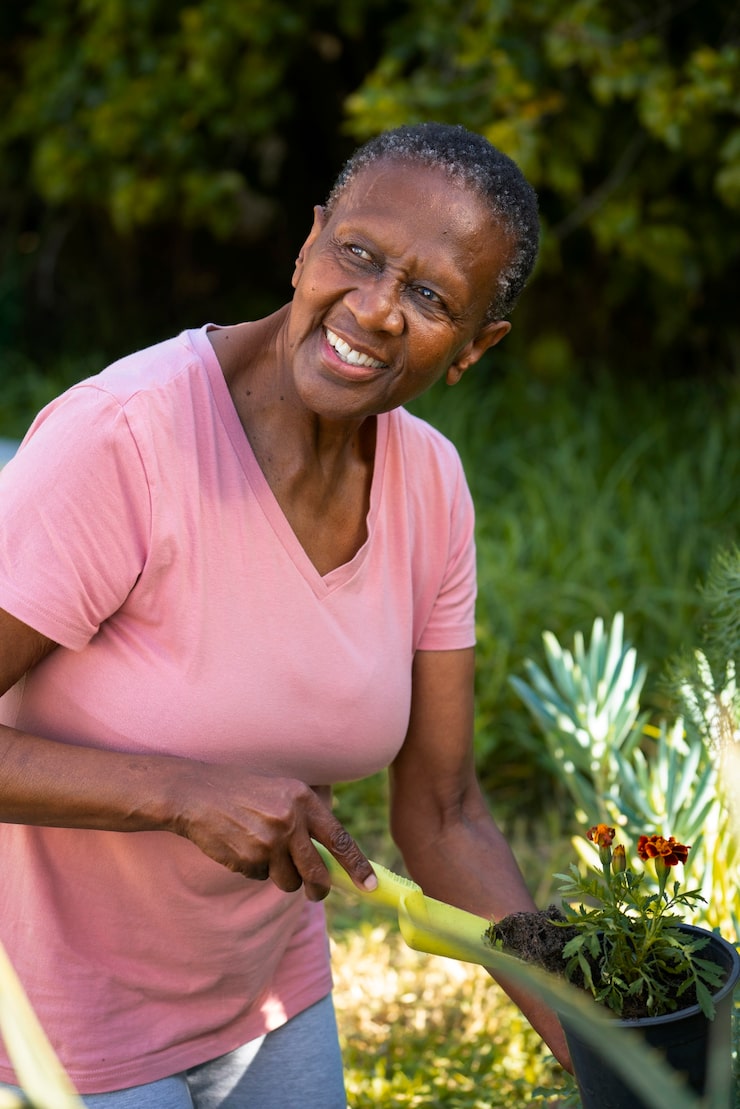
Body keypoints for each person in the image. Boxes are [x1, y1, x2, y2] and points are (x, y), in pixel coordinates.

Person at [0, 121, 570, 1107]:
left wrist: (589, 1031)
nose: (377, 308)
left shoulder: (430, 486)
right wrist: (177, 792)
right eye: (359, 253)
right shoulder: (124, 442)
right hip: (53, 1023)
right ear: (308, 244)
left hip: (266, 996)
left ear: (474, 347)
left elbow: (443, 811)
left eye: (431, 297)